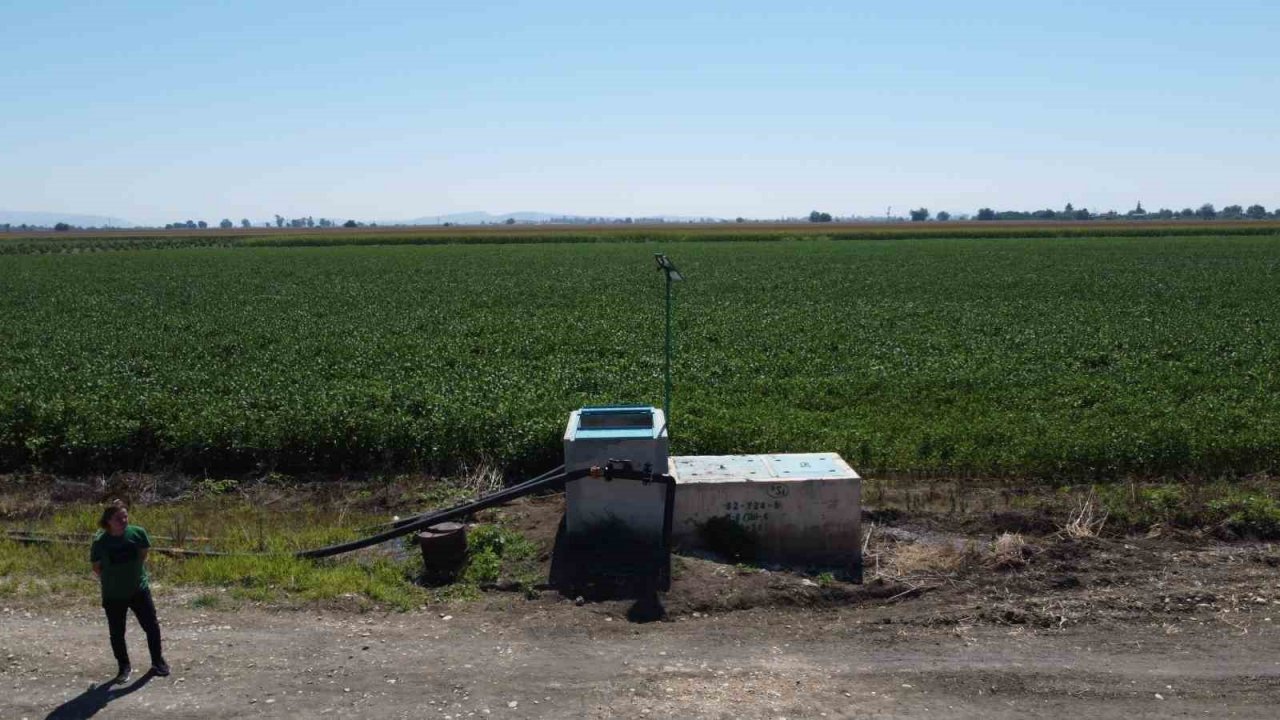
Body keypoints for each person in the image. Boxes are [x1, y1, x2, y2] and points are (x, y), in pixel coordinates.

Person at [90, 499, 169, 683]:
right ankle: (123, 667)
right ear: (108, 520)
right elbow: (96, 567)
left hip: (138, 590)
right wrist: (114, 580)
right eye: (119, 518)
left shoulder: (138, 533)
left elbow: (143, 554)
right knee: (117, 632)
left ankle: (157, 661)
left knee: (151, 626)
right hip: (113, 594)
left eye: (125, 516)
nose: (124, 520)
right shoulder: (101, 541)